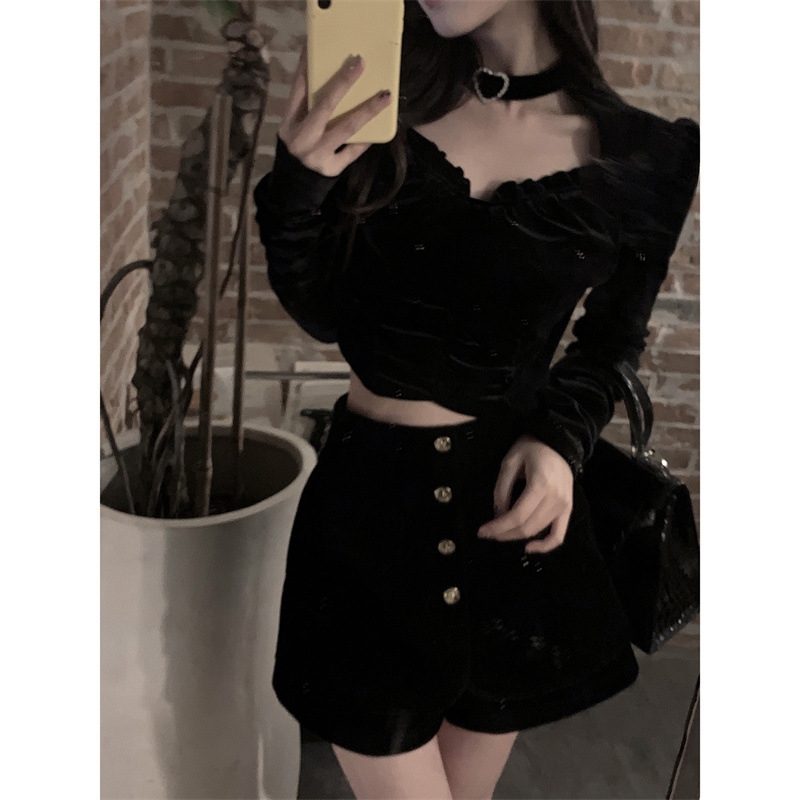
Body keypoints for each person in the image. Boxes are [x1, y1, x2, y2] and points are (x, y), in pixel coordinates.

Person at [253, 1, 700, 798]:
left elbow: (610, 341)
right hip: (368, 520)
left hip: (508, 519)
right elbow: (324, 314)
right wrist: (299, 184)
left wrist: (561, 443)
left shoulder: (648, 156)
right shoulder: (382, 106)